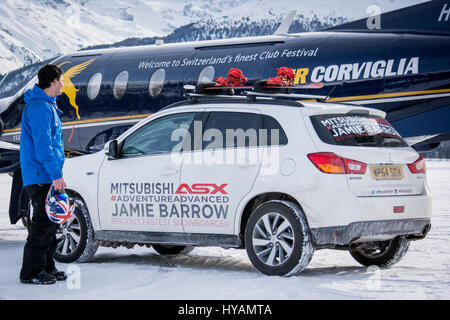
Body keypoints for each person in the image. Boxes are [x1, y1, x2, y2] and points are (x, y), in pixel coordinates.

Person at [19, 64, 68, 285]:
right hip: (41, 175)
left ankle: (47, 266)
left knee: (50, 223)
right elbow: (43, 146)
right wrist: (55, 174)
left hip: (45, 175)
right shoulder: (40, 108)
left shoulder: (46, 106)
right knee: (41, 225)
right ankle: (31, 272)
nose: (64, 85)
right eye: (62, 80)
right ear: (54, 81)